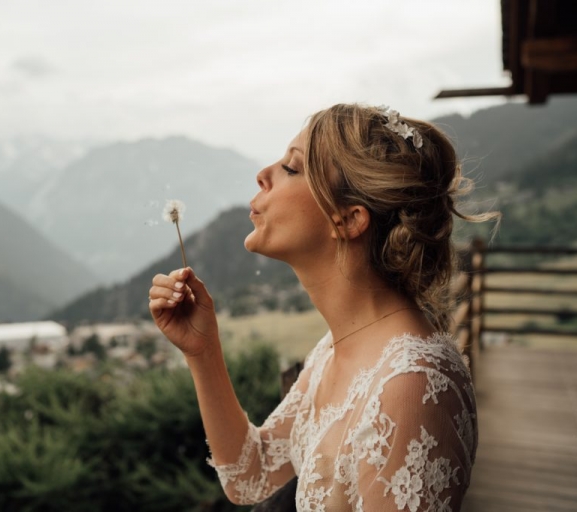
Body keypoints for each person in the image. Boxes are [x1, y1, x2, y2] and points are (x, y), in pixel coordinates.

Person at [148, 103, 495, 511]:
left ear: (347, 220)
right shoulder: (336, 348)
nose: (263, 174)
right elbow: (250, 474)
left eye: (292, 168)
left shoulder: (411, 385)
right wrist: (203, 352)